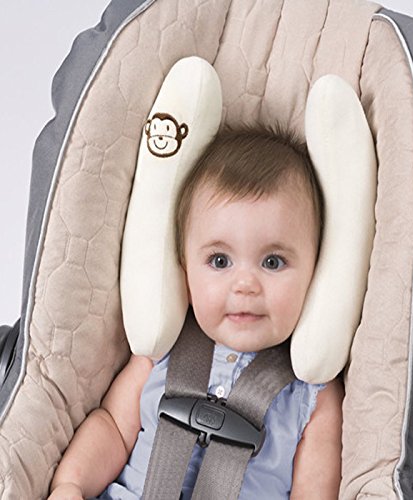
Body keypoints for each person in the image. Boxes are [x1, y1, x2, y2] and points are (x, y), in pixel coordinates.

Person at [48, 125, 344, 499]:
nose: (245, 285)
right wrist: (71, 484)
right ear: (184, 269)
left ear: (315, 273)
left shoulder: (313, 395)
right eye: (220, 260)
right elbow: (112, 429)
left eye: (273, 261)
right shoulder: (161, 350)